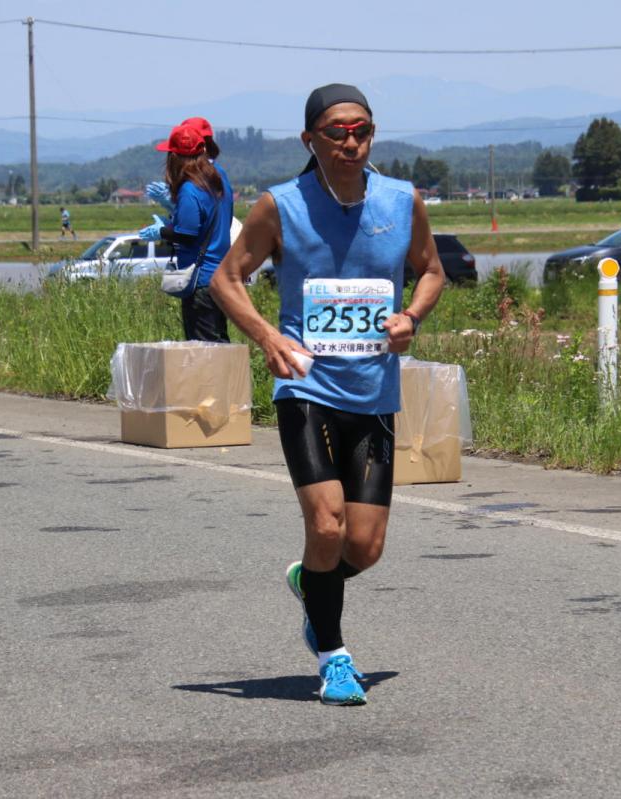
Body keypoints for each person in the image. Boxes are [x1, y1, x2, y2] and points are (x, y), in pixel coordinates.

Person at [209, 83, 445, 706]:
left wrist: (411, 319)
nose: (350, 141)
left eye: (362, 130)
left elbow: (432, 270)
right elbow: (226, 279)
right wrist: (265, 336)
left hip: (373, 392)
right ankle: (334, 658)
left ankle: (312, 584)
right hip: (306, 386)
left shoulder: (402, 199)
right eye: (337, 131)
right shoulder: (279, 206)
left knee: (362, 547)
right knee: (326, 521)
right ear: (309, 138)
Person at [139, 123, 233, 342]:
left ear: (175, 157)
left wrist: (162, 231)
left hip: (201, 279)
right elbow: (216, 217)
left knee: (205, 349)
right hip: (221, 273)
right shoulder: (219, 176)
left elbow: (187, 234)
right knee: (220, 342)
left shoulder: (190, 189)